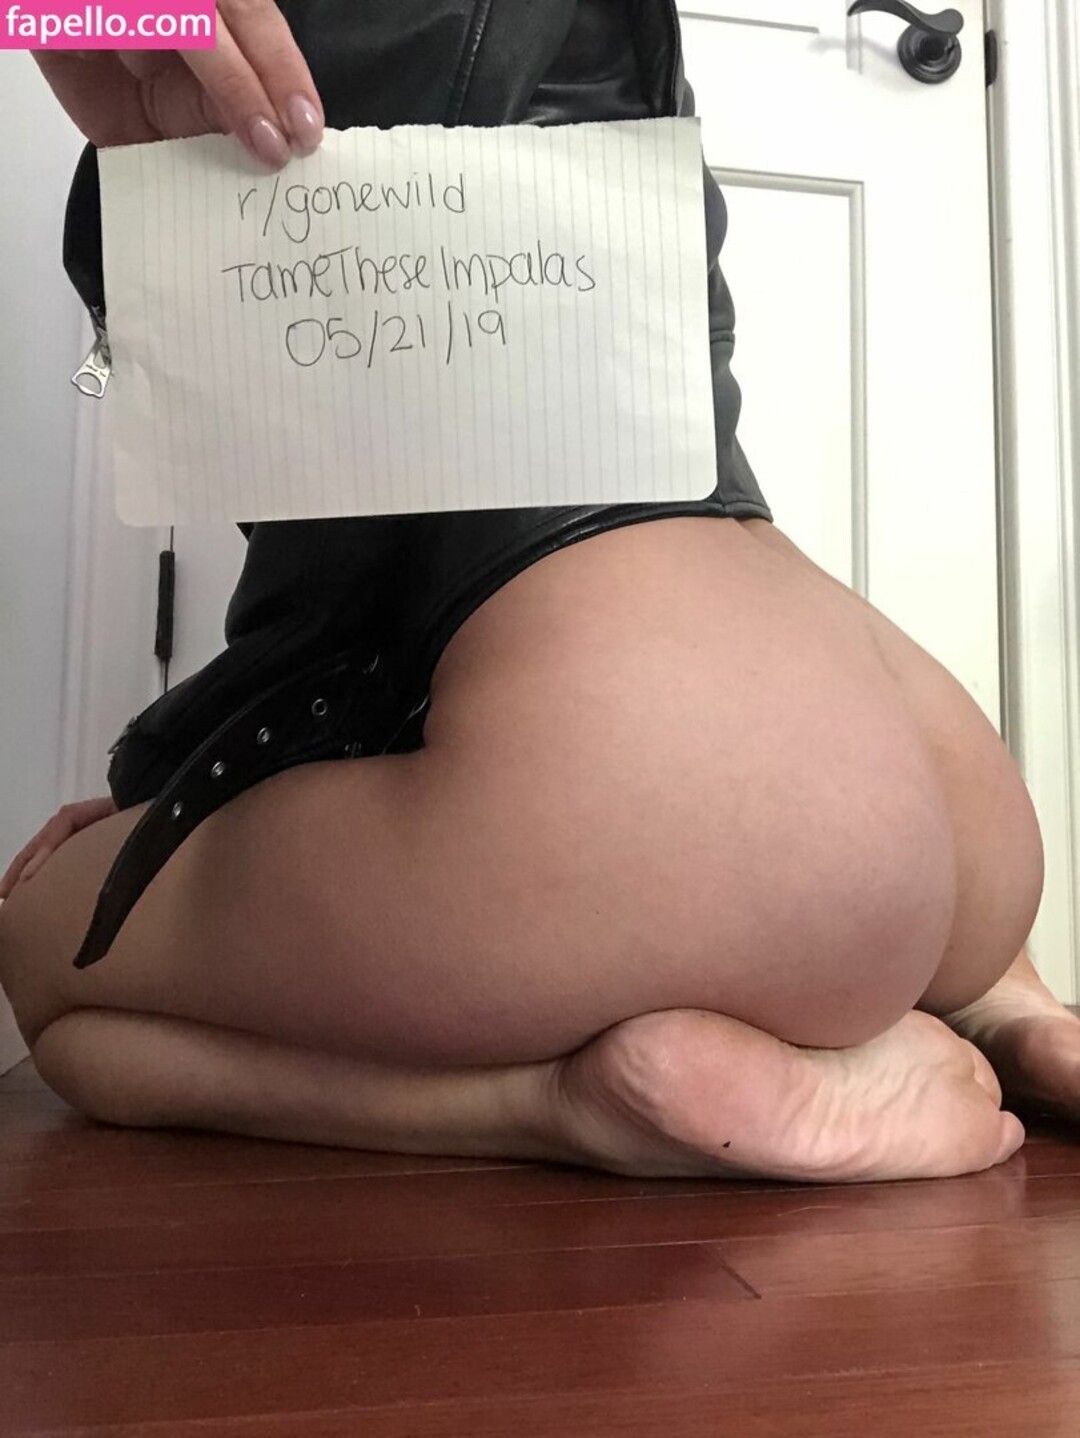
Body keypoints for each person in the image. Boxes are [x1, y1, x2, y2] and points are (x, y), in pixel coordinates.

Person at [0, 0, 1073, 1185]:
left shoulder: (254, 57)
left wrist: (171, 780)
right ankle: (1002, 1003)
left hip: (672, 806)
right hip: (946, 781)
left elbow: (350, 587)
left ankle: (560, 1101)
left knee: (53, 962)